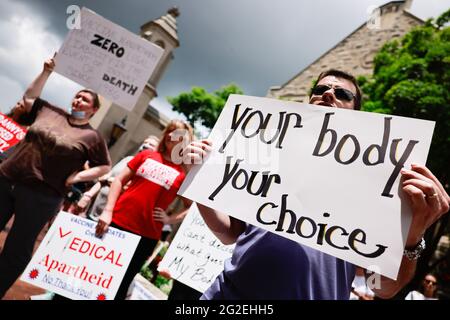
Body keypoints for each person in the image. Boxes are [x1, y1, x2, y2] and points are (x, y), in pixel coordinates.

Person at [182, 69, 450, 300]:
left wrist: (413, 236)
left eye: (342, 94)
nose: (328, 93)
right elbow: (230, 233)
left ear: (358, 115)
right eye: (321, 88)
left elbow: (382, 288)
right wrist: (197, 177)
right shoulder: (269, 155)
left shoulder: (375, 188)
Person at [0, 57, 111, 298]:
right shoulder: (49, 110)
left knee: (17, 249)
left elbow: (104, 166)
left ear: (93, 109)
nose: (78, 99)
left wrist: (77, 177)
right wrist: (46, 72)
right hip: (8, 177)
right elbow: (28, 98)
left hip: (42, 196)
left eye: (85, 99)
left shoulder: (93, 136)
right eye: (77, 95)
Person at [95, 120, 194, 300]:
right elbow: (118, 181)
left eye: (180, 135)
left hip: (146, 236)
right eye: (171, 132)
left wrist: (169, 219)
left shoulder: (183, 173)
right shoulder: (147, 155)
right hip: (115, 223)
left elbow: (191, 207)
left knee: (120, 283)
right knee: (93, 272)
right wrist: (108, 211)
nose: (174, 138)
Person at [74, 134, 161, 219]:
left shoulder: (149, 170)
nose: (145, 145)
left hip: (113, 217)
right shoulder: (127, 159)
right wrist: (88, 196)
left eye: (151, 145)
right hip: (93, 210)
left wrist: (111, 181)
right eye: (145, 142)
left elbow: (130, 188)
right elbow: (103, 179)